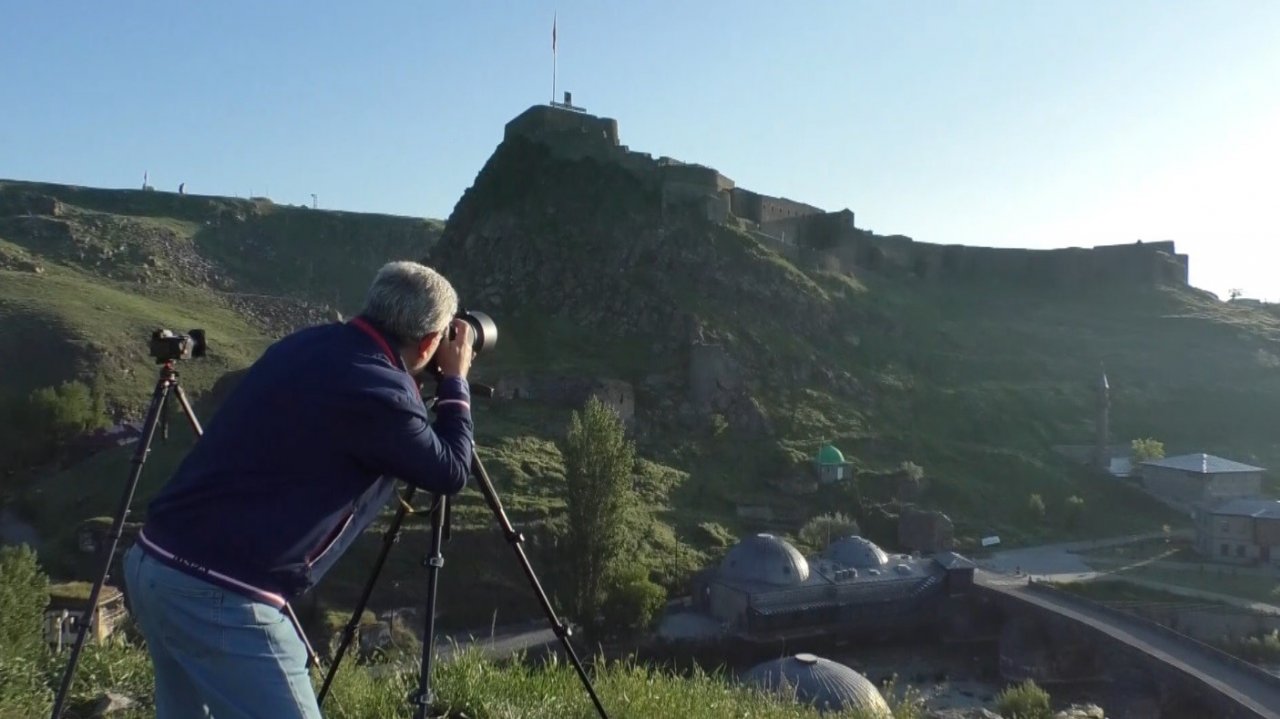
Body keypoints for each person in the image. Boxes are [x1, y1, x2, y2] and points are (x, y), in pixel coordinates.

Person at [122, 261, 475, 718]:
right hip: (222, 595)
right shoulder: (379, 388)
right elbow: (449, 470)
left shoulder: (303, 343)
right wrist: (456, 381)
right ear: (430, 342)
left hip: (154, 563)